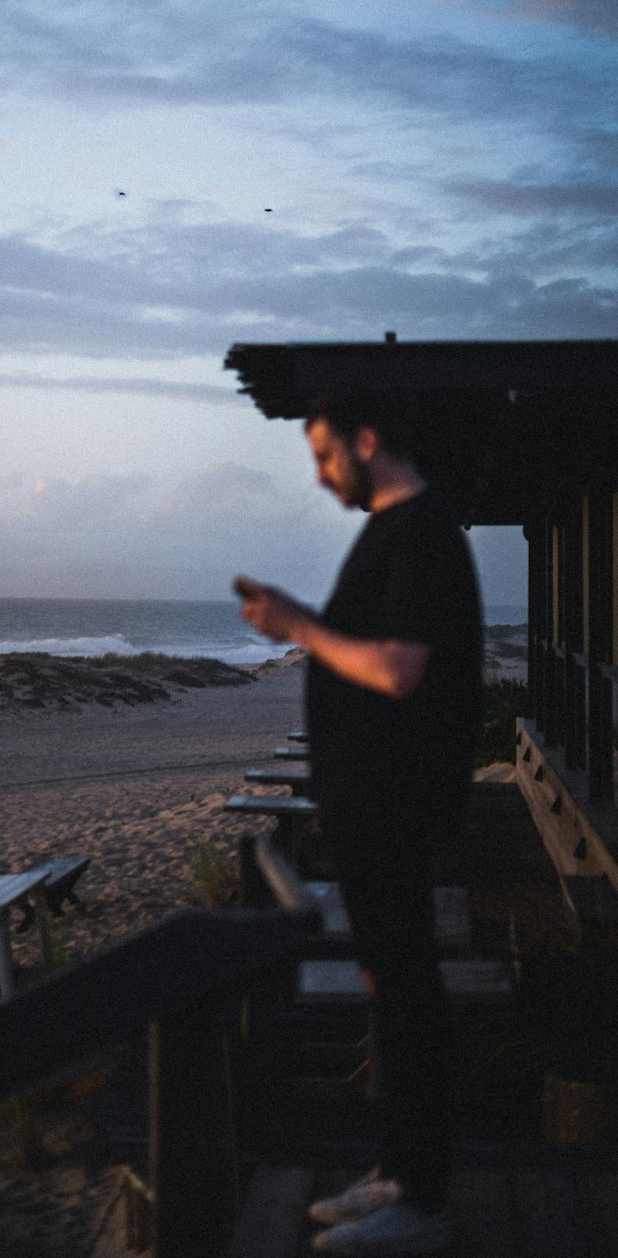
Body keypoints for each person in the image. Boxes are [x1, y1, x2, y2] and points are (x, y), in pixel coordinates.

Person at [234, 393, 482, 1256]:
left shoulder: (420, 531)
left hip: (397, 809)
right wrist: (299, 623)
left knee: (409, 997)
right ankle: (399, 1173)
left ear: (368, 441)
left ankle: (422, 1202)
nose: (319, 473)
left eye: (325, 455)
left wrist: (299, 624)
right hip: (372, 811)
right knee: (395, 993)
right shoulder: (394, 530)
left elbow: (401, 667)